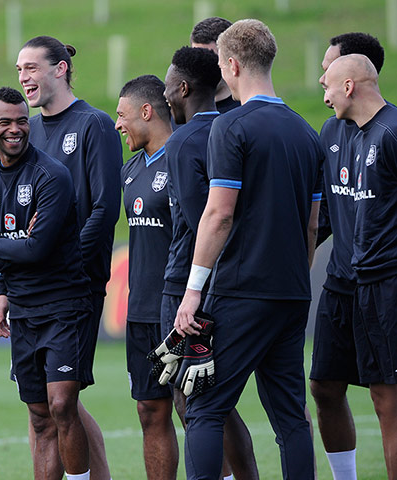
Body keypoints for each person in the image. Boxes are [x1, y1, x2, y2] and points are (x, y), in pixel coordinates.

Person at [173, 19, 324, 479]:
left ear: (233, 65)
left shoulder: (231, 127)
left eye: (221, 64)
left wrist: (193, 291)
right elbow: (313, 225)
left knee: (203, 407)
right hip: (293, 292)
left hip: (240, 291)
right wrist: (296, 273)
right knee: (291, 419)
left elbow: (218, 214)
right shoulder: (306, 132)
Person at [11, 35, 122, 480]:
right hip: (28, 287)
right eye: (19, 70)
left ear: (60, 69)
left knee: (62, 400)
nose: (23, 78)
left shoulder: (94, 124)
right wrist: (4, 286)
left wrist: (71, 262)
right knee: (48, 406)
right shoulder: (28, 130)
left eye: (31, 68)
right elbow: (12, 213)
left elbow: (105, 209)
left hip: (76, 285)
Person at [0, 86, 92, 480]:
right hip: (22, 310)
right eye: (5, 122)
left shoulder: (51, 176)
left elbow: (38, 250)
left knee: (61, 405)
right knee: (39, 416)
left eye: (22, 120)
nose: (15, 129)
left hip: (63, 305)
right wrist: (12, 249)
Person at [162, 46, 258, 480]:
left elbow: (204, 219)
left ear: (182, 88)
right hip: (229, 282)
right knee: (219, 400)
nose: (165, 95)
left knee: (194, 400)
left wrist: (191, 293)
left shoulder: (182, 141)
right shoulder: (232, 128)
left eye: (167, 86)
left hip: (189, 286)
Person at [312, 32, 385, 480]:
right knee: (322, 385)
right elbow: (322, 217)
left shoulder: (389, 133)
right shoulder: (330, 130)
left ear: (351, 78)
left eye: (329, 69)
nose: (322, 78)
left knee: (386, 396)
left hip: (384, 285)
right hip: (340, 282)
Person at [115, 75, 175, 479]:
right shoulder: (130, 169)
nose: (118, 124)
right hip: (141, 310)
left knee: (199, 411)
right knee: (149, 409)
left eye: (122, 115)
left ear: (146, 111)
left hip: (180, 309)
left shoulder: (187, 158)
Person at [190, 17, 240, 114]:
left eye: (211, 58)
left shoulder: (245, 115)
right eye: (195, 58)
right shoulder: (179, 115)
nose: (201, 67)